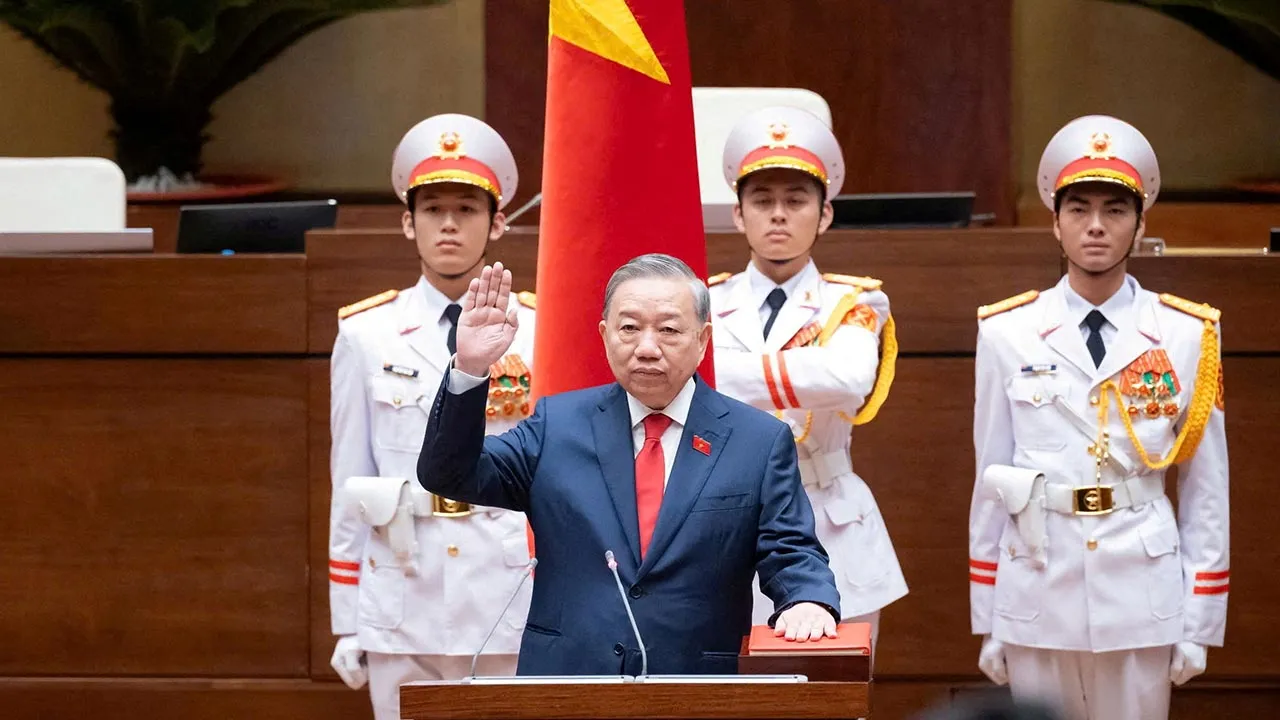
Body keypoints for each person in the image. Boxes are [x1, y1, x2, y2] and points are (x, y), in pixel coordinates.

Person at [417, 253, 843, 675]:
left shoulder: (757, 440)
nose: (647, 348)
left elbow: (791, 549)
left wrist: (807, 599)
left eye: (669, 330)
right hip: (568, 681)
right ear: (605, 335)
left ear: (702, 338)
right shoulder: (557, 425)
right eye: (629, 328)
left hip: (696, 684)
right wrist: (470, 368)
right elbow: (450, 475)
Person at [969, 115, 1229, 720]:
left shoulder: (1189, 334)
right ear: (1054, 223)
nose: (1095, 226)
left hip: (1141, 585)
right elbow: (991, 477)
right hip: (1037, 579)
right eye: (1078, 208)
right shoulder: (1007, 331)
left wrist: (1200, 618)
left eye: (1115, 209)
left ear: (1141, 223)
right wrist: (990, 615)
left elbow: (1206, 489)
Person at [327, 113, 537, 720]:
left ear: (497, 223)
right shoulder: (366, 333)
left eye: (468, 209)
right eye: (433, 209)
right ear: (407, 222)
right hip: (402, 581)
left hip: (502, 583)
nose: (449, 224)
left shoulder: (539, 324)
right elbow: (350, 480)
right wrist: (348, 618)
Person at [709, 105, 908, 654]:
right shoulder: (704, 300)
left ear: (824, 215)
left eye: (796, 201)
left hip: (830, 517)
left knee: (831, 695)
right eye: (762, 201)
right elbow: (685, 382)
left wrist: (722, 374)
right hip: (724, 519)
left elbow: (847, 380)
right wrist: (801, 373)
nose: (778, 214)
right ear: (738, 214)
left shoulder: (857, 300)